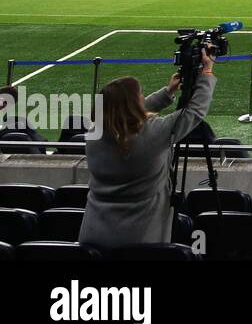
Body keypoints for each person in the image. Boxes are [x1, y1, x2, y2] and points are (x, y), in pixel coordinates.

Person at [79, 58, 216, 250]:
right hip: (140, 241)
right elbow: (194, 112)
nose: (143, 98)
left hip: (94, 236)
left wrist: (167, 93)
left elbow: (124, 115)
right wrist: (207, 73)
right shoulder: (153, 133)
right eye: (140, 96)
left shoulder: (94, 134)